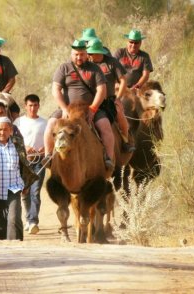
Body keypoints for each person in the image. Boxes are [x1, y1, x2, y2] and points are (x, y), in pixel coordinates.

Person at [43, 40, 114, 170]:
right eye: (76, 54)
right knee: (51, 124)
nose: (79, 57)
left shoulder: (95, 69)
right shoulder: (64, 68)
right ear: (72, 54)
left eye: (82, 54)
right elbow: (56, 89)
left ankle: (108, 158)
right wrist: (64, 109)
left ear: (86, 54)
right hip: (67, 108)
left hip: (89, 108)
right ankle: (48, 156)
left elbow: (101, 90)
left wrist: (93, 109)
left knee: (105, 127)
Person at [87, 38, 135, 153]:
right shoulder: (87, 63)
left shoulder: (111, 62)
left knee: (119, 113)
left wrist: (118, 98)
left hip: (108, 100)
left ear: (98, 52)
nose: (89, 55)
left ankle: (125, 140)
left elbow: (123, 81)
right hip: (90, 100)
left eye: (91, 53)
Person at [13, 94, 47, 234]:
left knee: (36, 191)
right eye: (30, 105)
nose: (33, 108)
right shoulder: (18, 122)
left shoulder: (45, 123)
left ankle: (33, 221)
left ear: (38, 106)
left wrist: (45, 148)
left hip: (39, 161)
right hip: (23, 161)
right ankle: (28, 218)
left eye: (35, 105)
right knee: (24, 191)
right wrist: (25, 147)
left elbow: (50, 139)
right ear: (25, 106)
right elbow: (13, 139)